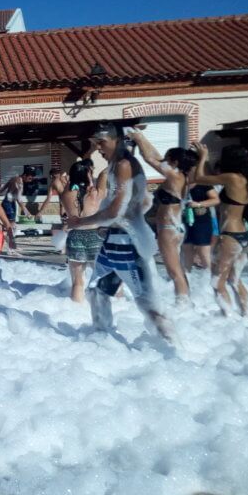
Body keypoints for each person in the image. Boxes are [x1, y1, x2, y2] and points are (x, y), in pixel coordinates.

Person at [65, 124, 175, 342]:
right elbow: (141, 201)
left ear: (117, 140)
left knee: (144, 300)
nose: (98, 148)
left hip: (127, 242)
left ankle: (172, 346)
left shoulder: (124, 165)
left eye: (102, 142)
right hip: (115, 240)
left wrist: (82, 221)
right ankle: (102, 340)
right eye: (96, 143)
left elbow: (116, 209)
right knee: (97, 291)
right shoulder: (117, 165)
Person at [128, 129, 198, 302]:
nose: (163, 162)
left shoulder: (174, 176)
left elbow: (150, 158)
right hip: (176, 227)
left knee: (173, 271)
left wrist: (137, 137)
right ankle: (185, 300)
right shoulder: (182, 177)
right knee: (178, 269)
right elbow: (156, 157)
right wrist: (143, 138)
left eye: (167, 159)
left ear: (174, 162)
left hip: (168, 228)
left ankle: (182, 304)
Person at [192, 143, 248, 317]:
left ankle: (228, 319)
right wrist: (205, 159)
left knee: (217, 282)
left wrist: (203, 157)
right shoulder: (243, 179)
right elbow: (211, 177)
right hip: (243, 235)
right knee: (234, 280)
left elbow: (199, 178)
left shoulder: (232, 178)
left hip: (230, 236)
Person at [60, 159, 105, 302]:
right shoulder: (95, 193)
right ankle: (114, 309)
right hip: (95, 235)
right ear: (88, 175)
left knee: (78, 282)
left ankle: (76, 312)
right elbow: (105, 174)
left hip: (75, 236)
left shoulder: (65, 194)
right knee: (104, 277)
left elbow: (65, 182)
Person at [0, 168, 36, 253]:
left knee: (10, 226)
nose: (30, 180)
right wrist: (27, 212)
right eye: (29, 178)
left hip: (9, 203)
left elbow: (4, 187)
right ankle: (11, 247)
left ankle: (12, 246)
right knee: (12, 227)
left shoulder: (14, 178)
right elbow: (19, 199)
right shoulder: (19, 182)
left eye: (32, 179)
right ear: (24, 175)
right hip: (8, 204)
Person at [181, 183, 219, 272]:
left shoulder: (203, 184)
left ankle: (210, 280)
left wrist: (198, 204)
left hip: (202, 221)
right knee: (186, 250)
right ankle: (187, 277)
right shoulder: (181, 183)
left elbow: (216, 200)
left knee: (203, 251)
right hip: (184, 219)